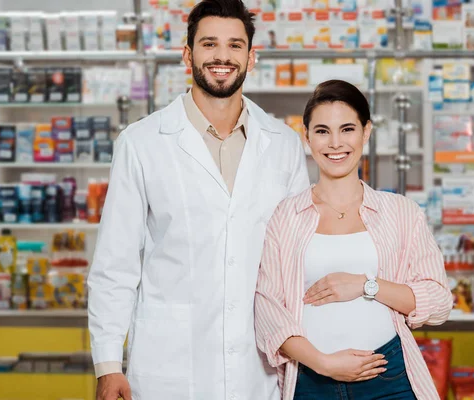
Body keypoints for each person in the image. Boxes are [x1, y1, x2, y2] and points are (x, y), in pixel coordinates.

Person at [87, 0, 310, 398]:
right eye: (209, 44)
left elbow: (294, 260)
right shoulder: (141, 143)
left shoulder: (283, 145)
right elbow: (115, 265)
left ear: (251, 57)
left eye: (234, 46)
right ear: (187, 55)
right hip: (168, 365)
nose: (222, 56)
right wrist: (107, 364)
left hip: (255, 367)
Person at [254, 80, 453, 400]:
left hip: (390, 379)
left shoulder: (401, 213)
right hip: (311, 380)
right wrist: (323, 363)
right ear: (306, 137)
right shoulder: (286, 217)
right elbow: (268, 310)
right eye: (322, 131)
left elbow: (439, 301)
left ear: (366, 132)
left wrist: (365, 284)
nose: (335, 143)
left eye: (347, 129)